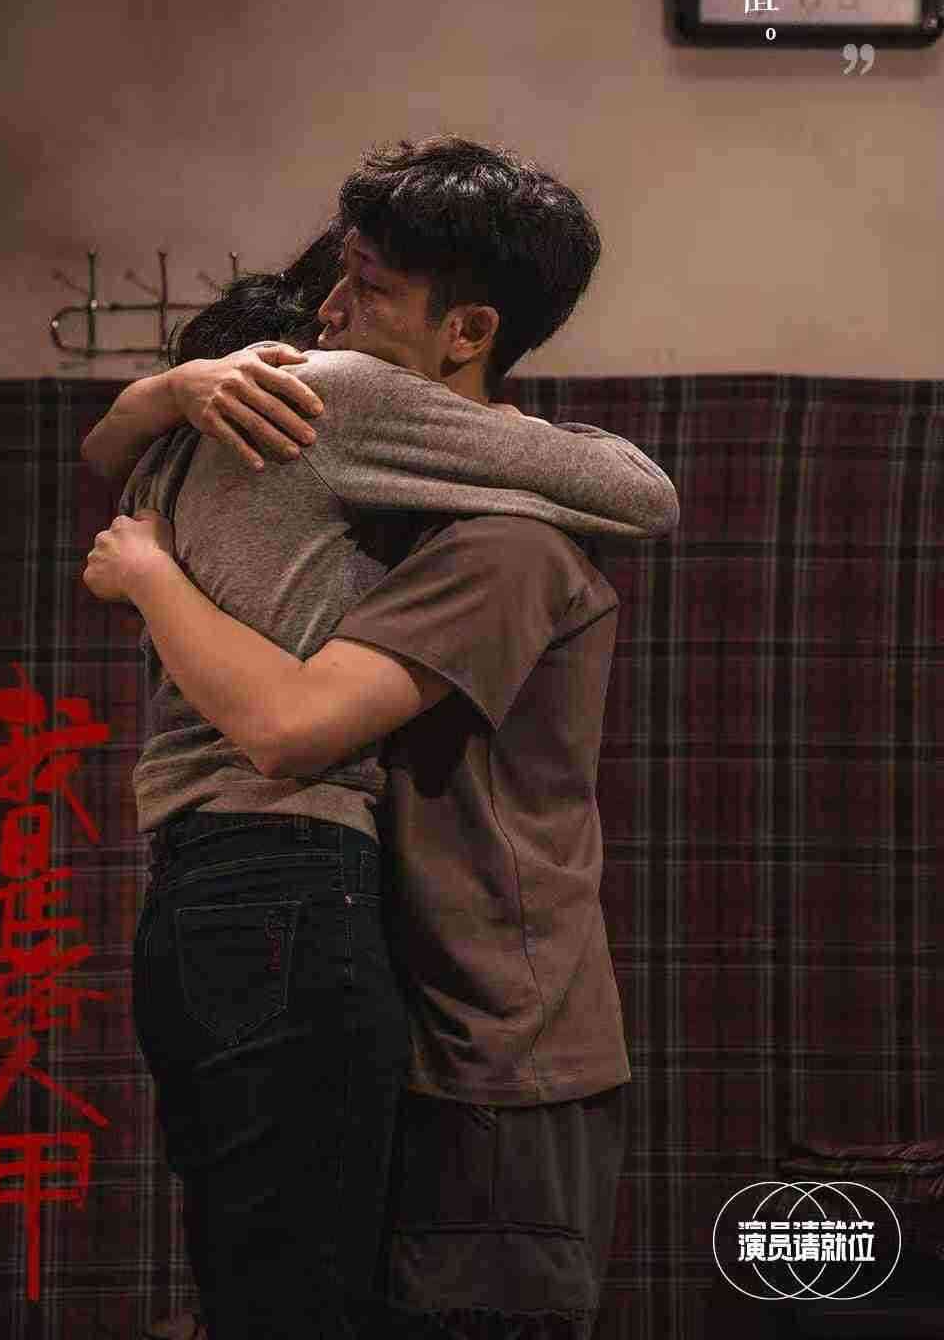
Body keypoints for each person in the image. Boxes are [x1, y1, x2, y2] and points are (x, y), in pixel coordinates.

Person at [83, 138, 679, 1338]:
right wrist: (170, 391)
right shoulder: (371, 482)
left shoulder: (497, 538)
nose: (325, 320)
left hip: (491, 1041)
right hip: (374, 967)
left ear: (468, 332)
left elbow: (289, 727)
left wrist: (149, 564)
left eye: (363, 288)